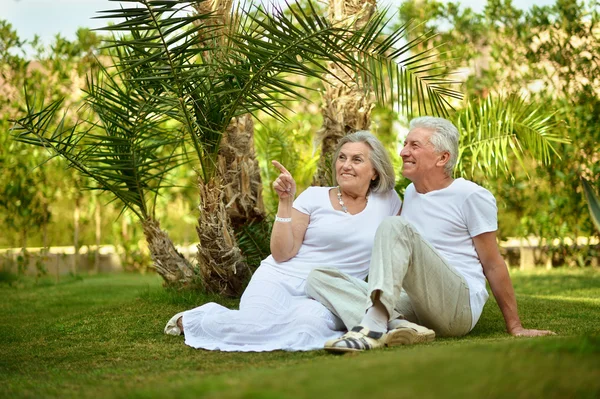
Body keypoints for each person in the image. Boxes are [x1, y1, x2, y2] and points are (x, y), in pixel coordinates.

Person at [306, 116, 555, 353]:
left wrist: (515, 326)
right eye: (405, 144)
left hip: (457, 307)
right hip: (417, 302)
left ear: (442, 157)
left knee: (395, 226)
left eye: (414, 145)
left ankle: (373, 325)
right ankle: (399, 326)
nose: (403, 152)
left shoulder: (470, 195)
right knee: (319, 277)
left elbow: (492, 264)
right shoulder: (412, 194)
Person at [164, 131, 402, 351]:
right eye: (342, 158)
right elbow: (282, 253)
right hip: (278, 278)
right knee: (253, 324)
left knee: (306, 329)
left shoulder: (389, 202)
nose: (346, 165)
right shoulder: (314, 197)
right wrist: (286, 202)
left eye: (357, 160)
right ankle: (195, 319)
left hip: (326, 292)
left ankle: (223, 323)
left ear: (375, 171)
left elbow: (405, 246)